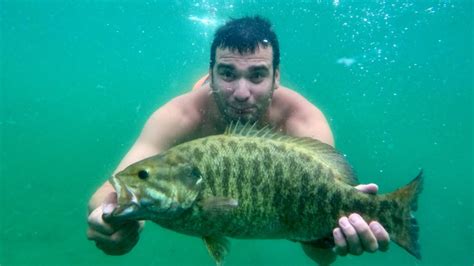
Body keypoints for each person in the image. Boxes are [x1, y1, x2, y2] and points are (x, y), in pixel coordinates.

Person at [87, 16, 389, 265]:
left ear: (276, 77)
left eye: (257, 75)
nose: (242, 93)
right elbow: (110, 191)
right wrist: (120, 223)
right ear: (212, 74)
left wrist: (340, 233)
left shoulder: (303, 121)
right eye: (227, 73)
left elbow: (319, 253)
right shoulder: (180, 116)